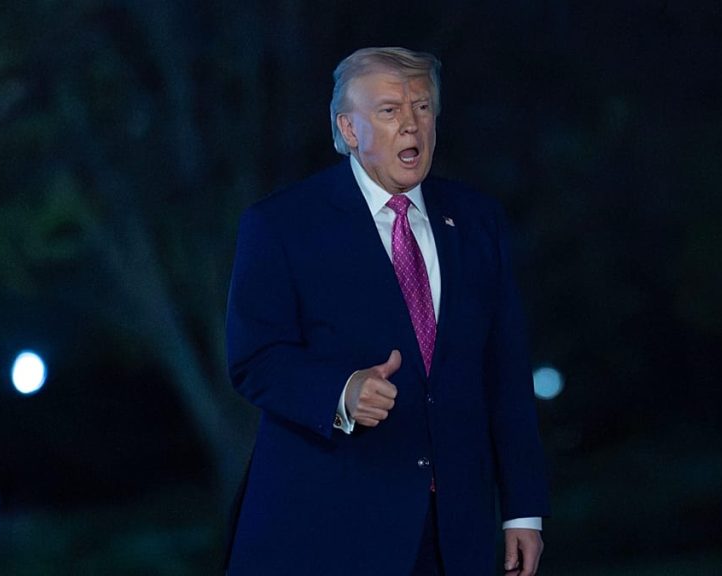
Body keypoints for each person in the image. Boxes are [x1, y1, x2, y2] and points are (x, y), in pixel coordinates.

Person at [224, 46, 549, 575]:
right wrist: (341, 392)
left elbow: (505, 371)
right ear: (349, 129)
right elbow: (254, 359)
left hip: (454, 531)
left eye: (422, 107)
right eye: (389, 111)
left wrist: (523, 510)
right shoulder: (282, 225)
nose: (411, 125)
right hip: (330, 526)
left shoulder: (476, 220)